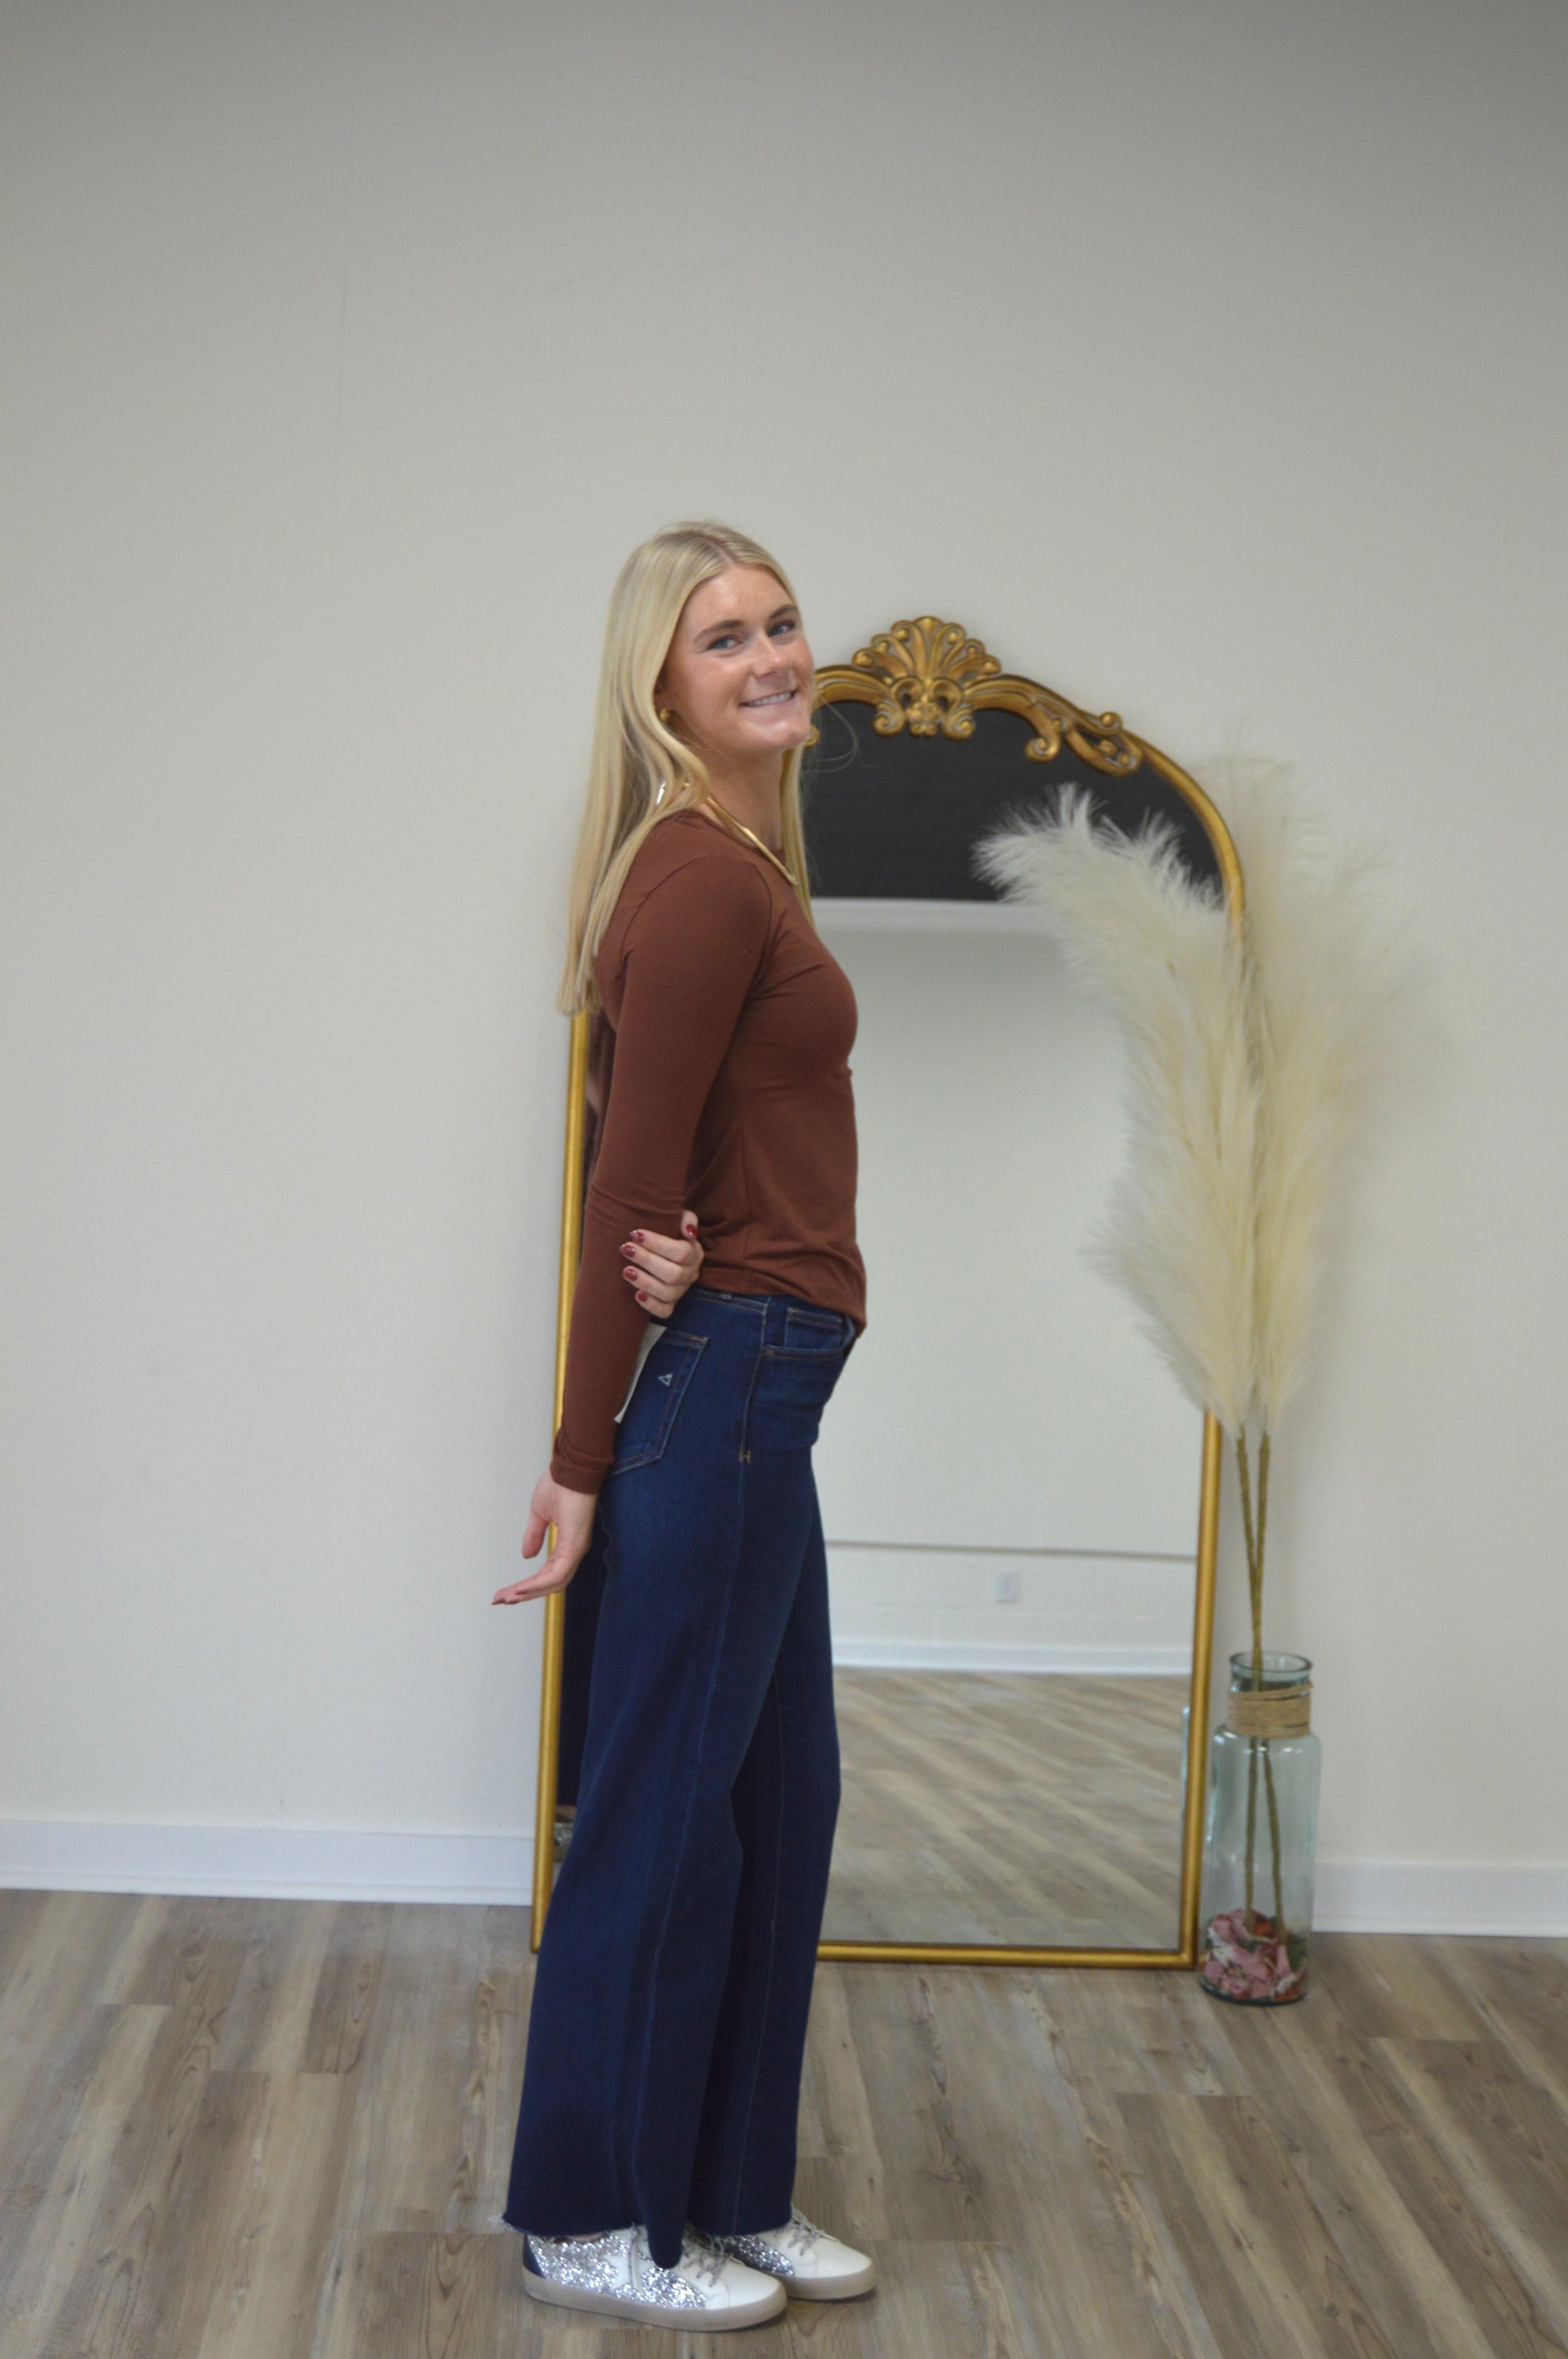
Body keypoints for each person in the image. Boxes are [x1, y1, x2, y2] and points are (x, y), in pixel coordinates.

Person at [491, 521, 875, 2329]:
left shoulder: (738, 868)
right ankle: (585, 2214)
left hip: (762, 1390)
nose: (771, 655)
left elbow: (695, 1165)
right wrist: (576, 1467)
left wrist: (709, 1236)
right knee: (662, 1823)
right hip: (721, 1388)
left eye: (780, 622)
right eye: (724, 638)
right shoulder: (703, 879)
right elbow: (624, 1186)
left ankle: (727, 2191)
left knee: (780, 1805)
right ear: (660, 685)